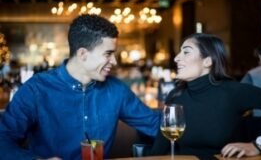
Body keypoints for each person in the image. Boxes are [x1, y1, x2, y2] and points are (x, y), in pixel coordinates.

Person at [0, 15, 160, 160]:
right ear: (83, 54)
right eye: (108, 54)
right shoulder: (36, 89)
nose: (115, 62)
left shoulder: (116, 90)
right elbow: (3, 138)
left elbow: (156, 124)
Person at [148, 33, 261, 158]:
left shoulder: (234, 92)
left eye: (186, 52)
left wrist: (258, 144)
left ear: (208, 61)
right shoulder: (175, 95)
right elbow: (159, 150)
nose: (176, 58)